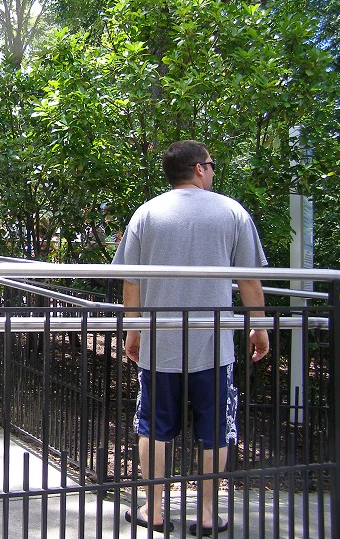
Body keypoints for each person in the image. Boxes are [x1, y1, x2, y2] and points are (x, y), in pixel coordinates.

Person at [111, 140, 270, 536]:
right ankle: (207, 514)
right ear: (199, 168)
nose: (213, 171)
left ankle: (156, 510)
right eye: (212, 165)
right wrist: (259, 325)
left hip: (160, 343)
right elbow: (249, 279)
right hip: (213, 345)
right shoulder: (232, 211)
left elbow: (132, 281)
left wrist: (134, 329)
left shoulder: (146, 214)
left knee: (153, 426)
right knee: (215, 428)